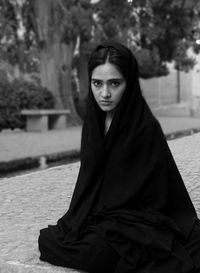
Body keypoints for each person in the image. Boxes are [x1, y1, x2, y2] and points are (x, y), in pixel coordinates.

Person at [38, 41, 200, 273]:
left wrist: (113, 221)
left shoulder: (144, 127)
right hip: (101, 218)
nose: (104, 94)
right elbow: (89, 181)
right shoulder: (93, 123)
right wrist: (84, 218)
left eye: (115, 83)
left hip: (138, 220)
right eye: (97, 84)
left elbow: (154, 197)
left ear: (129, 83)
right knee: (49, 240)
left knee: (98, 255)